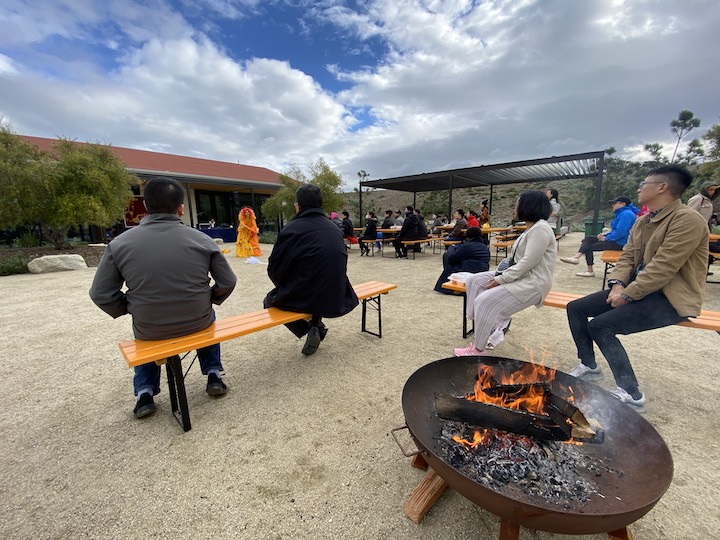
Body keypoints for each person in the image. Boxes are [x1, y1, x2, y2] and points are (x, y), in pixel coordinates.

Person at [89, 178, 237, 419]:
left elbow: (100, 294)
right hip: (197, 321)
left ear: (146, 207)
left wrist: (129, 307)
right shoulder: (202, 240)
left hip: (150, 327)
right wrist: (208, 298)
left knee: (142, 331)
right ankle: (213, 374)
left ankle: (145, 393)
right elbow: (228, 281)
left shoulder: (119, 244)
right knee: (210, 317)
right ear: (181, 208)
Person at [565, 164, 707, 410]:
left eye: (645, 184)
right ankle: (589, 364)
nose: (640, 189)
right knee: (576, 308)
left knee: (600, 326)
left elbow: (663, 267)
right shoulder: (643, 222)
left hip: (670, 298)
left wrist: (628, 295)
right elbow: (628, 258)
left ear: (662, 187)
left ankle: (632, 393)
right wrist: (618, 285)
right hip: (639, 290)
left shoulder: (687, 220)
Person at [453, 190, 556, 356]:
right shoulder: (532, 228)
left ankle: (479, 350)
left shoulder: (541, 230)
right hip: (520, 276)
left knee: (484, 301)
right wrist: (501, 274)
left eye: (517, 204)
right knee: (474, 280)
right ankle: (484, 324)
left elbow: (528, 262)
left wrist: (501, 279)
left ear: (528, 206)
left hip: (533, 283)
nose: (515, 208)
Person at [264, 184, 359, 355]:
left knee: (269, 301)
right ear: (320, 205)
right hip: (338, 293)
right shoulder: (335, 229)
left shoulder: (291, 229)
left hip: (309, 294)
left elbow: (275, 269)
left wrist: (285, 285)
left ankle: (310, 330)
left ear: (298, 205)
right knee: (317, 286)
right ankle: (315, 324)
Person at [560, 196, 640, 277]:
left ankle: (588, 269)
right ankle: (576, 258)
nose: (613, 205)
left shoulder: (626, 214)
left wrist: (607, 238)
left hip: (621, 243)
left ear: (623, 204)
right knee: (588, 239)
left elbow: (621, 232)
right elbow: (617, 230)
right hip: (617, 240)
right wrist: (605, 235)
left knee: (588, 246)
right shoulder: (623, 213)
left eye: (615, 203)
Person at [434, 227, 490, 293]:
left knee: (447, 256)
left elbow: (452, 258)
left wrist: (451, 247)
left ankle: (449, 286)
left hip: (470, 270)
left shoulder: (467, 246)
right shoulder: (484, 247)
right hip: (482, 270)